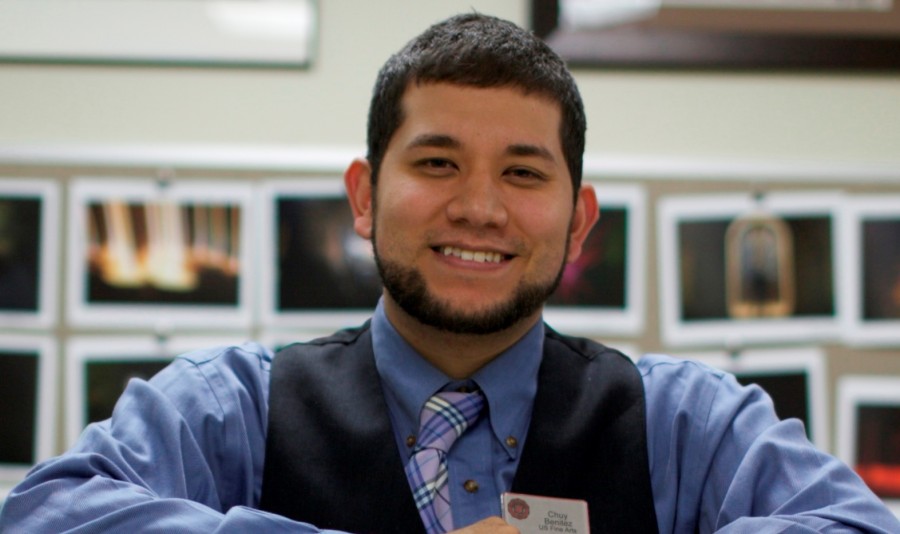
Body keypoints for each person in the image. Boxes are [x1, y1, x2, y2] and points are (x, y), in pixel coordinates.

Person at [1, 12, 898, 534]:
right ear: (363, 197)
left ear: (579, 220)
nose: (479, 207)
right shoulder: (231, 405)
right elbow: (44, 514)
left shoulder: (685, 422)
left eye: (522, 172)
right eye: (435, 164)